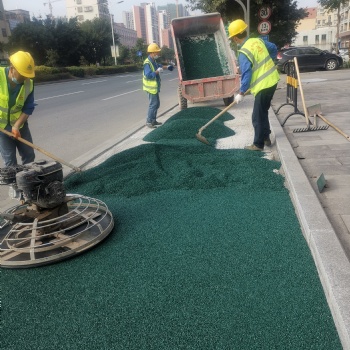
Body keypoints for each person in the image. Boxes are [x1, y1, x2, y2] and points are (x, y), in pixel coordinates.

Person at [228, 19, 280, 151]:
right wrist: (271, 61)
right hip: (272, 81)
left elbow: (246, 73)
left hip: (264, 85)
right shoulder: (258, 41)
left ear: (235, 38)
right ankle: (266, 137)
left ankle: (258, 144)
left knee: (257, 115)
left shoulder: (243, 52)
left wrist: (241, 93)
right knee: (262, 111)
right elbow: (274, 48)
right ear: (245, 31)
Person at [0, 51, 36, 166]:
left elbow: (28, 107)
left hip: (20, 125)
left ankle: (28, 179)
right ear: (12, 69)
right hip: (2, 127)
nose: (25, 78)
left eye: (27, 75)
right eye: (22, 75)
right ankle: (13, 182)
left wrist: (16, 126)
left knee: (29, 155)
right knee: (10, 160)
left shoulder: (28, 83)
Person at [143, 43, 174, 128]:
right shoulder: (147, 63)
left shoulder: (153, 61)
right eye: (157, 52)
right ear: (152, 53)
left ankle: (153, 121)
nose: (158, 54)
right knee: (153, 104)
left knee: (156, 104)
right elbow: (148, 75)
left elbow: (159, 66)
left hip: (154, 87)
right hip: (150, 88)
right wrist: (157, 72)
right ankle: (149, 122)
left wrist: (167, 67)